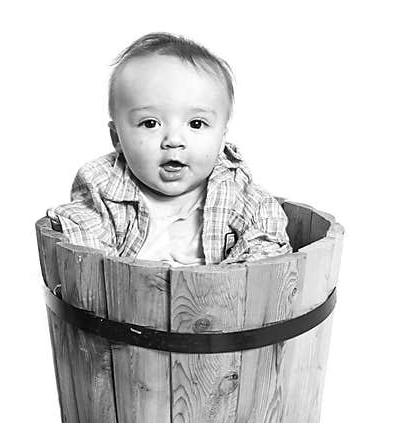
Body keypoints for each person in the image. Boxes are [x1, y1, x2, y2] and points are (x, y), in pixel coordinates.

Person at [47, 33, 291, 265]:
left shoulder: (235, 189)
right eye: (150, 123)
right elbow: (81, 238)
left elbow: (267, 236)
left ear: (221, 138)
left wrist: (229, 278)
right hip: (128, 300)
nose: (174, 140)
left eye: (196, 124)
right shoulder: (103, 185)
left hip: (220, 301)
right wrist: (121, 278)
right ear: (116, 137)